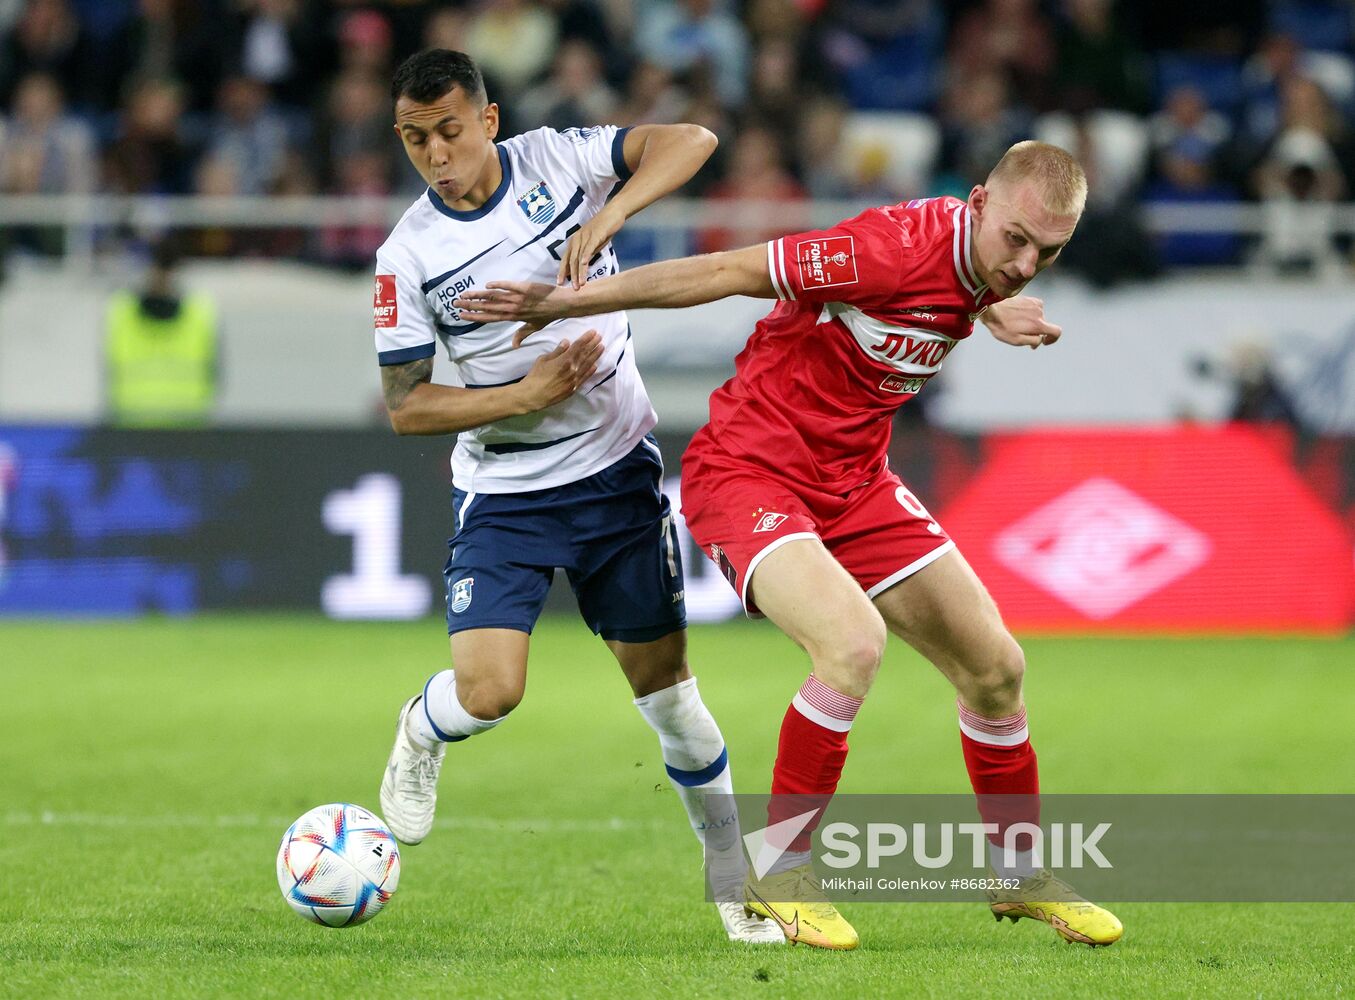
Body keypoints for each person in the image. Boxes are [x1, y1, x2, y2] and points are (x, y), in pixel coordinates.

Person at [456, 140, 1125, 951]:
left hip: (854, 483)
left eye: (1046, 253)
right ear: (978, 201)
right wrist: (568, 303)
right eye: (1015, 240)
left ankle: (1018, 875)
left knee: (996, 669)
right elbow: (726, 272)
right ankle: (783, 873)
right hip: (750, 473)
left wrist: (989, 309)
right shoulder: (882, 246)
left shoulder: (979, 264)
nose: (1023, 264)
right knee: (851, 645)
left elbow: (951, 286)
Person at [371, 49, 782, 945]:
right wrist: (524, 395)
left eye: (449, 131)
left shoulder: (557, 159)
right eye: (414, 139)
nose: (436, 154)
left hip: (615, 475)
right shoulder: (405, 256)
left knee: (669, 698)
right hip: (507, 495)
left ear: (487, 119)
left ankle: (732, 884)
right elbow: (405, 406)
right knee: (488, 694)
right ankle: (421, 730)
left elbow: (693, 138)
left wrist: (611, 217)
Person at [104, 239, 219, 428]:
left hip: (187, 429)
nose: (161, 275)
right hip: (132, 428)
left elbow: (214, 374)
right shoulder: (120, 310)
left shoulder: (201, 312)